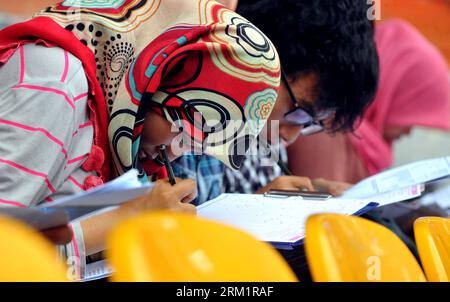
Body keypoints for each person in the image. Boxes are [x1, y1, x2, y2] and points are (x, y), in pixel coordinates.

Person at [0, 0, 280, 279]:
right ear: (155, 78)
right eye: (185, 131)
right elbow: (7, 249)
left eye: (195, 147)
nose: (174, 154)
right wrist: (124, 220)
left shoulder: (112, 115)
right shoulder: (54, 80)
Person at [173, 0, 379, 205]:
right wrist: (253, 209)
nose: (290, 135)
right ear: (260, 54)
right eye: (299, 113)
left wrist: (310, 191)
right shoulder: (178, 126)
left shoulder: (266, 130)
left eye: (311, 122)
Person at [287, 19, 450, 183]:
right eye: (410, 113)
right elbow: (319, 207)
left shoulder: (371, 145)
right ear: (393, 90)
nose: (408, 131)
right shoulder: (324, 129)